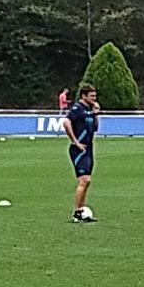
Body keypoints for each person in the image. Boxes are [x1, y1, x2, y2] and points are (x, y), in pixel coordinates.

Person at [61, 84, 99, 223]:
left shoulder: (89, 109)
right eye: (92, 96)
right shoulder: (77, 109)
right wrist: (75, 141)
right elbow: (66, 122)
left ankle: (81, 210)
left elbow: (96, 128)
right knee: (84, 180)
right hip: (79, 149)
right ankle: (77, 212)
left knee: (87, 181)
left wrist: (96, 114)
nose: (94, 99)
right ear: (83, 96)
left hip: (88, 148)